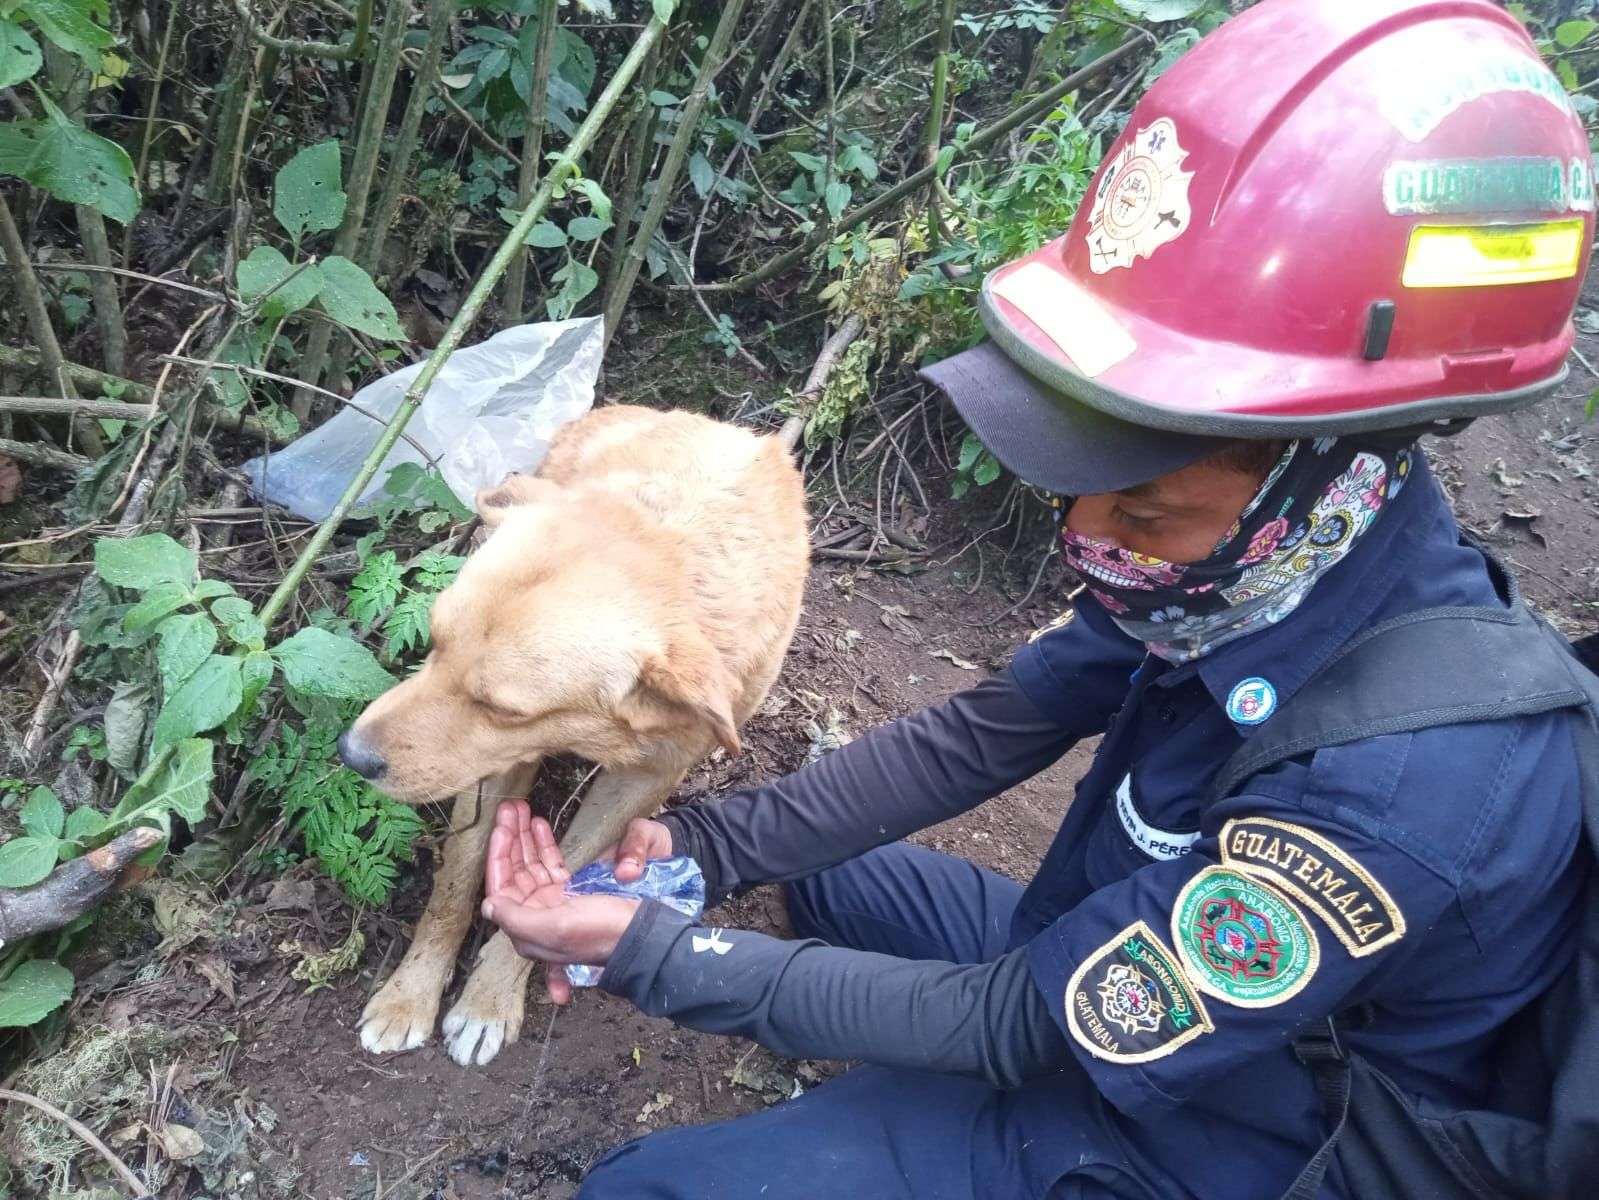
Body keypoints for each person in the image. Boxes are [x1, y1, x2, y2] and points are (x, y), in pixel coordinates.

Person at [479, 1, 1598, 1196]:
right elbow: (989, 728)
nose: (1087, 536)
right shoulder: (1240, 576)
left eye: (1142, 508)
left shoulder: (1386, 806)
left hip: (1236, 1123)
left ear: (1325, 470)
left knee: (642, 1188)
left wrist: (657, 951)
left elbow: (1028, 1023)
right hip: (1117, 944)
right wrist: (688, 849)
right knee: (809, 869)